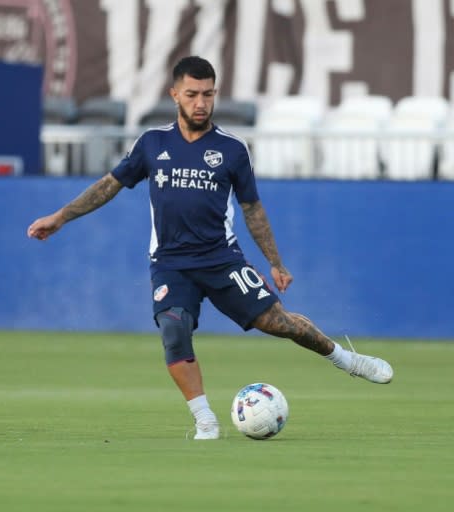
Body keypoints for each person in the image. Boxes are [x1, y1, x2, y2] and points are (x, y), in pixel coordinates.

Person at [27, 56, 393, 440]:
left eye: (208, 94)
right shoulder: (153, 143)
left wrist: (275, 262)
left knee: (278, 323)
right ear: (175, 95)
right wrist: (62, 216)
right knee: (173, 330)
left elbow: (252, 208)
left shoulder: (232, 150)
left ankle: (346, 359)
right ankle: (205, 420)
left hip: (221, 259)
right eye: (192, 94)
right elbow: (110, 184)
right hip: (170, 263)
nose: (200, 102)